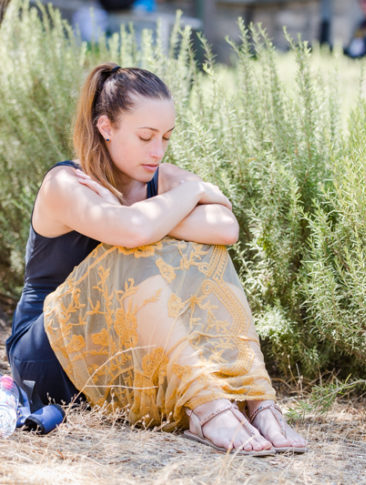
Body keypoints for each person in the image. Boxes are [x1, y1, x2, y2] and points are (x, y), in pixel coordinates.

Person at [5, 63, 307, 455]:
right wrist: (193, 192)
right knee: (132, 252)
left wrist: (155, 217)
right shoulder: (65, 183)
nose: (158, 151)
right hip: (47, 357)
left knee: (196, 248)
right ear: (105, 127)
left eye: (165, 137)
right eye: (146, 136)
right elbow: (133, 233)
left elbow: (224, 227)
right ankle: (208, 406)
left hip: (119, 353)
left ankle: (257, 399)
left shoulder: (157, 179)